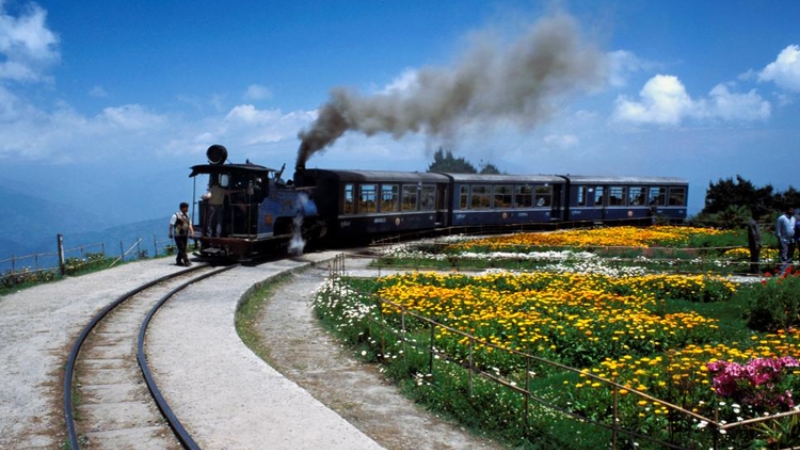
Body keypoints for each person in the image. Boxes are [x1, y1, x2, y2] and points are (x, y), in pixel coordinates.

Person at [169, 202, 194, 266]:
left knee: (183, 248)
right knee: (182, 248)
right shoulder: (176, 215)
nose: (187, 209)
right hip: (178, 235)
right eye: (186, 208)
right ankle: (186, 260)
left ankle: (178, 260)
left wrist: (192, 232)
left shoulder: (187, 215)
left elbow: (189, 224)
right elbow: (171, 224)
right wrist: (170, 233)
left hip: (185, 234)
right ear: (182, 208)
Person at [775, 206, 796, 274]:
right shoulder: (781, 218)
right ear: (787, 210)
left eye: (792, 210)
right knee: (783, 256)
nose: (792, 211)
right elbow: (778, 230)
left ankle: (788, 272)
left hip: (792, 240)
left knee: (790, 257)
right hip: (783, 240)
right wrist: (780, 239)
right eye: (790, 210)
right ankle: (782, 272)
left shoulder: (793, 218)